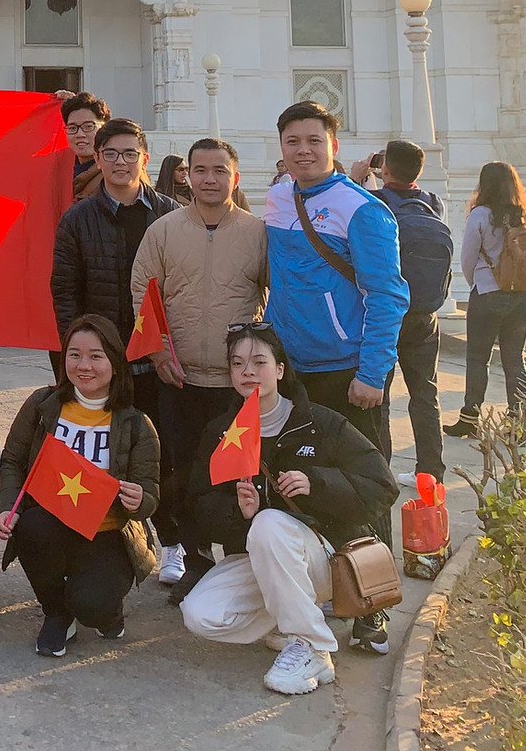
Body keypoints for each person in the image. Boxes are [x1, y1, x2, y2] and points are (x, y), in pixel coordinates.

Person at [181, 324, 398, 696]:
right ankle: (289, 621)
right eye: (237, 363)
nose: (248, 371)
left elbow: (383, 486)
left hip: (324, 559)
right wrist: (237, 513)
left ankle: (313, 647)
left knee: (268, 524)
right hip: (261, 557)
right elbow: (197, 508)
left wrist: (318, 483)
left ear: (280, 369)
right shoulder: (222, 432)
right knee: (200, 614)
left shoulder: (321, 423)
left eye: (259, 362)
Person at [262, 100, 407, 654]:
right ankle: (326, 589)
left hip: (350, 374)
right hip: (294, 374)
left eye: (313, 140)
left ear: (334, 145)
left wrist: (373, 372)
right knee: (309, 483)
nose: (303, 150)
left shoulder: (363, 209)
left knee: (365, 487)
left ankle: (372, 604)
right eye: (292, 141)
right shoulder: (279, 198)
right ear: (281, 148)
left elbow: (389, 294)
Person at [130, 137, 267, 596]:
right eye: (200, 170)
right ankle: (193, 557)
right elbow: (142, 294)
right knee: (182, 471)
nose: (210, 179)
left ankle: (243, 565)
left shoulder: (256, 233)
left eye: (219, 170)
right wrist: (158, 353)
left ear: (235, 177)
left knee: (236, 475)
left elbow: (274, 298)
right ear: (187, 175)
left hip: (237, 384)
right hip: (180, 378)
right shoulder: (165, 231)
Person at [49, 117, 180, 552]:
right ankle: (100, 540)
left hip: (158, 356)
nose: (120, 162)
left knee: (161, 449)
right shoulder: (78, 218)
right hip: (102, 360)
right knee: (100, 450)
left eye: (130, 153)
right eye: (111, 154)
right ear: (98, 159)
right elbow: (64, 290)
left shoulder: (168, 214)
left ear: (145, 158)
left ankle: (175, 542)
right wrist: (78, 350)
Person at [0, 314, 160, 656]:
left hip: (107, 532)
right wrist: (7, 507)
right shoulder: (43, 406)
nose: (84, 365)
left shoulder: (136, 424)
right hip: (52, 523)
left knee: (93, 606)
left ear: (115, 362)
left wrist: (139, 498)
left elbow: (151, 494)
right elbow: (12, 460)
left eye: (96, 356)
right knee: (30, 526)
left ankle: (104, 609)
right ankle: (57, 613)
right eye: (74, 354)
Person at [371, 139, 453, 481]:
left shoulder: (375, 203)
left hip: (386, 314)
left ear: (385, 168)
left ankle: (381, 473)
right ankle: (431, 473)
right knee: (425, 395)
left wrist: (362, 175)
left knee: (380, 398)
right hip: (425, 314)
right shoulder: (434, 204)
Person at [446, 162, 526, 435]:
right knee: (515, 360)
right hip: (524, 296)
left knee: (478, 358)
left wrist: (480, 283)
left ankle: (470, 419)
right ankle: (517, 422)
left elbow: (467, 259)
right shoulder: (524, 215)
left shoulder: (480, 215)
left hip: (489, 295)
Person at [60, 92, 110, 202]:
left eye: (88, 126)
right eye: (72, 128)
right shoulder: (62, 168)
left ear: (104, 128)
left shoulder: (114, 173)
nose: (80, 135)